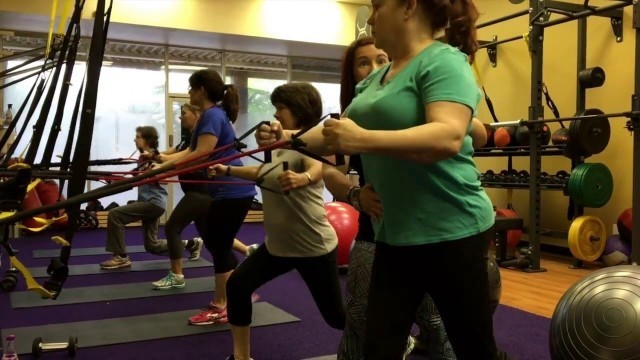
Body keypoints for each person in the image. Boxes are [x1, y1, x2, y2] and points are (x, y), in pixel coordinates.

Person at [256, 0, 507, 359]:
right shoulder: (375, 80)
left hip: (454, 229)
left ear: (408, 7)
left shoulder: (444, 61)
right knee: (378, 347)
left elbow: (448, 136)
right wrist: (288, 137)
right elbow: (336, 134)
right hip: (396, 233)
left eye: (377, 7)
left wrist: (361, 139)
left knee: (474, 348)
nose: (370, 18)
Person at [323, 35, 457, 360]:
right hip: (377, 232)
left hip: (425, 234)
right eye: (363, 62)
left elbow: (472, 131)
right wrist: (355, 194)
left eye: (381, 59)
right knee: (359, 323)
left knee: (437, 325)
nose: (374, 67)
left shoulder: (419, 100)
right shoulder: (354, 114)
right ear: (352, 74)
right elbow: (328, 170)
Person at [216, 83, 345, 360]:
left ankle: (396, 339)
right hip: (278, 247)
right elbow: (265, 171)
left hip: (313, 247)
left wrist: (304, 178)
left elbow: (317, 167)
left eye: (281, 108)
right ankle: (241, 357)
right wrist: (227, 169)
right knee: (237, 286)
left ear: (299, 109)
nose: (276, 114)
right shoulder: (278, 144)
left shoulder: (310, 144)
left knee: (337, 318)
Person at [153, 69, 256, 326]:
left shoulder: (211, 114)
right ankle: (236, 294)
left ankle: (222, 305)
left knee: (218, 245)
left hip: (233, 191)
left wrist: (163, 169)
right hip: (226, 191)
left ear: (201, 89)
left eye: (190, 87)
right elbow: (189, 150)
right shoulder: (210, 116)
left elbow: (202, 153)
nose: (188, 92)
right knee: (216, 242)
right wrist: (160, 164)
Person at [99, 126, 171, 269]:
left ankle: (120, 256)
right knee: (152, 245)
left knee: (115, 215)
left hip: (153, 203)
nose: (134, 139)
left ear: (148, 140)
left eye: (138, 137)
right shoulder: (142, 159)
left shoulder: (157, 158)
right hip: (149, 202)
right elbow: (133, 177)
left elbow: (165, 180)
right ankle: (191, 244)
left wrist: (152, 173)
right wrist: (113, 179)